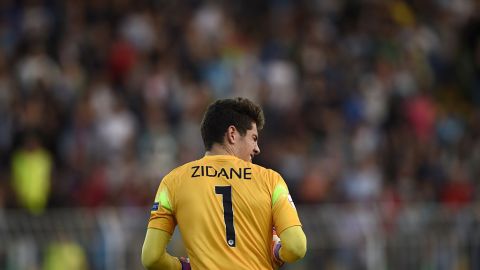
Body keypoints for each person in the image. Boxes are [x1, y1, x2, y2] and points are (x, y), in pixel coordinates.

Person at [141, 97, 307, 270]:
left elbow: (151, 257)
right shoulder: (271, 180)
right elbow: (296, 247)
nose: (257, 148)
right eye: (254, 138)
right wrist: (277, 250)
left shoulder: (173, 182)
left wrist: (184, 267)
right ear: (232, 134)